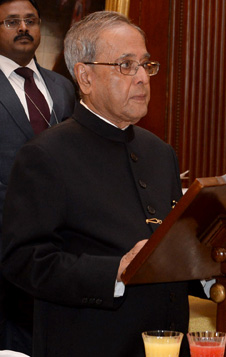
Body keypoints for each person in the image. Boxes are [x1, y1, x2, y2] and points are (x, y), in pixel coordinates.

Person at [1, 11, 193, 357]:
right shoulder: (45, 155)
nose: (142, 78)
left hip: (166, 345)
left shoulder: (159, 152)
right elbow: (23, 260)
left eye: (146, 65)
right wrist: (113, 272)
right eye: (125, 65)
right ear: (85, 76)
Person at [0, 0, 76, 353]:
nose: (23, 28)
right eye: (12, 21)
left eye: (30, 20)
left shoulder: (63, 87)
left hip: (58, 245)